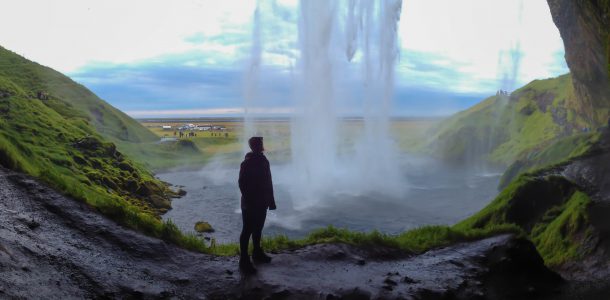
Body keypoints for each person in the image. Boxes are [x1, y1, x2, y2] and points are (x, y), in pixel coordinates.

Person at [238, 136, 277, 274]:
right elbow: (242, 183)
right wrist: (250, 200)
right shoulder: (247, 162)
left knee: (258, 229)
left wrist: (270, 201)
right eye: (260, 143)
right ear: (254, 146)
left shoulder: (263, 160)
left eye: (262, 143)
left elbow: (268, 182)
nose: (262, 145)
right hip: (250, 203)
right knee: (247, 230)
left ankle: (257, 252)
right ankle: (244, 259)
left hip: (261, 202)